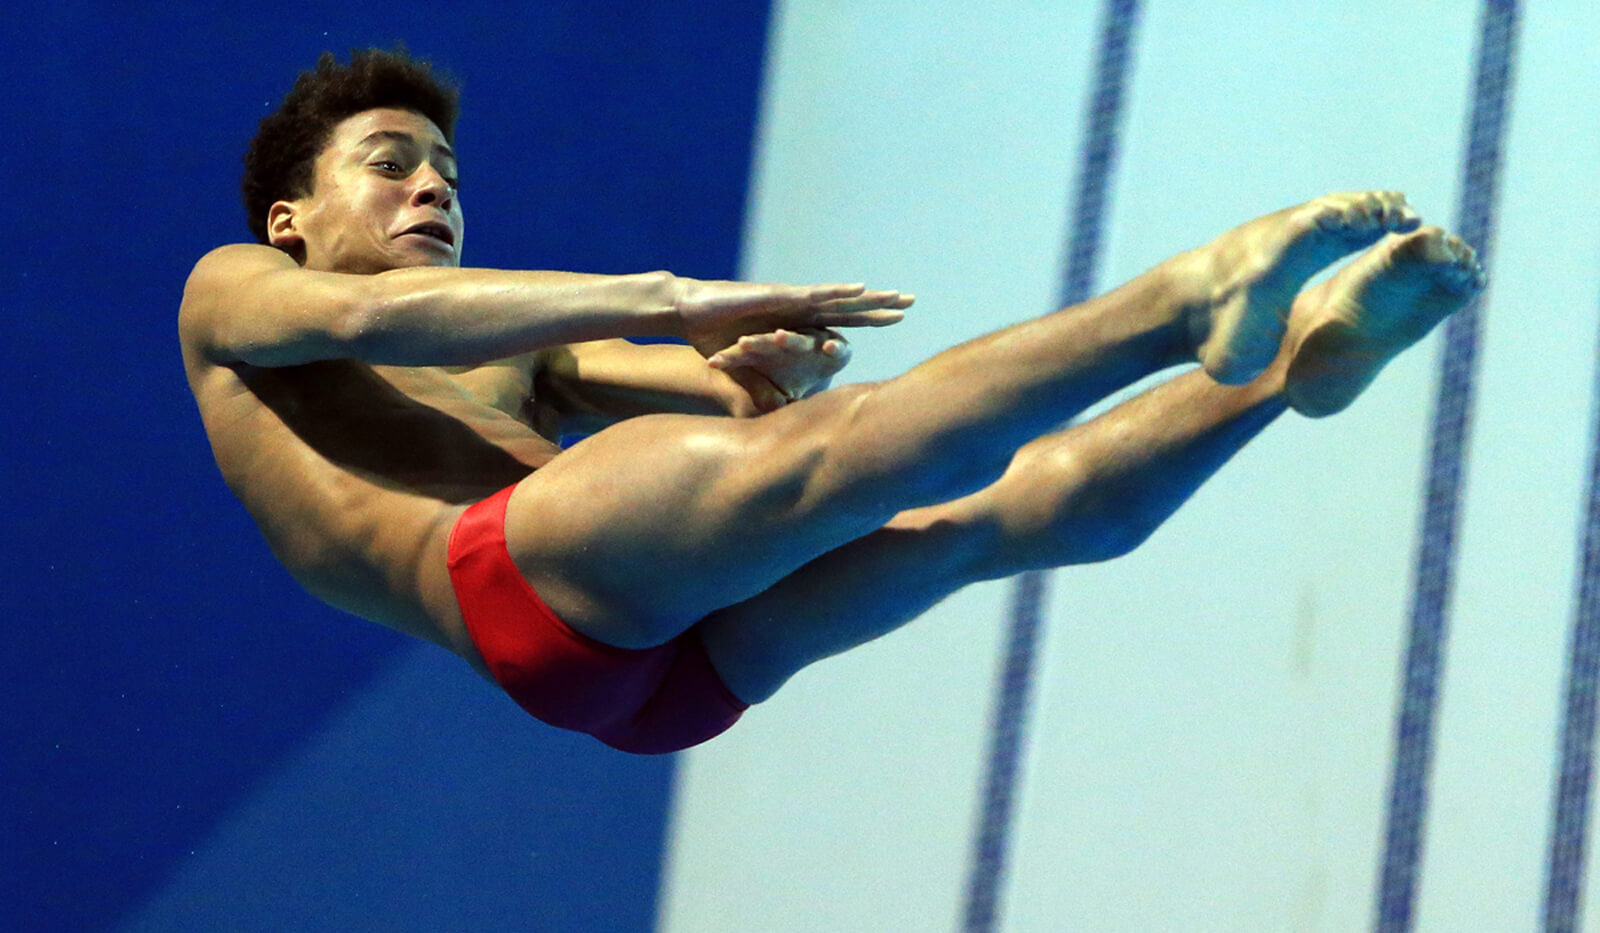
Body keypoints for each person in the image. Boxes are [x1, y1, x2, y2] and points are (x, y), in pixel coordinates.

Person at [180, 49, 1485, 754]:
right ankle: (1186, 300)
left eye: (448, 171)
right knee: (857, 459)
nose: (433, 192)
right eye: (392, 164)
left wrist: (764, 375)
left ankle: (1285, 369)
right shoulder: (234, 293)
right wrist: (666, 292)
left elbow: (736, 410)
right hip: (502, 583)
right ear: (291, 215)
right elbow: (358, 315)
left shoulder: (514, 352)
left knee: (988, 518)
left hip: (649, 664)